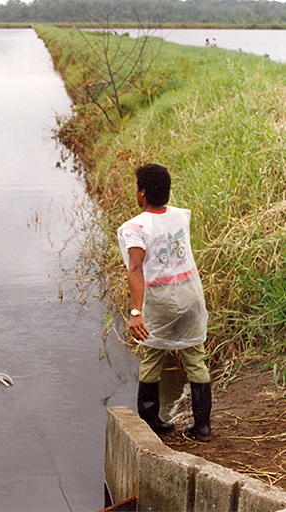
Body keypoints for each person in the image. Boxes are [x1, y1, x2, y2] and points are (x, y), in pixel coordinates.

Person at [117, 163, 212, 441]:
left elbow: (135, 270)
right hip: (190, 295)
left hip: (160, 300)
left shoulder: (134, 227)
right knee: (195, 358)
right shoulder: (181, 217)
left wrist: (136, 312)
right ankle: (203, 426)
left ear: (142, 192)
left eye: (137, 188)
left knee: (152, 356)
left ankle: (152, 424)